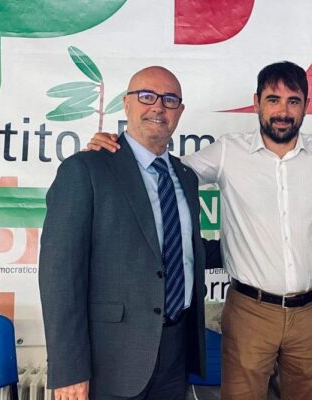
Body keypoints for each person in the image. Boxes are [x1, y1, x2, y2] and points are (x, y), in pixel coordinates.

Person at [86, 62, 312, 400]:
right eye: (273, 99)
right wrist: (119, 152)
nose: (283, 110)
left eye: (293, 101)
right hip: (250, 311)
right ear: (257, 103)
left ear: (306, 105)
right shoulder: (228, 152)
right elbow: (160, 173)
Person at [39, 66, 220, 400]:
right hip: (111, 360)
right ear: (126, 103)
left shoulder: (185, 177)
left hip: (176, 353)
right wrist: (69, 370)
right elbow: (59, 276)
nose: (158, 107)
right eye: (147, 96)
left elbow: (183, 251)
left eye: (169, 100)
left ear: (180, 111)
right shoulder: (87, 169)